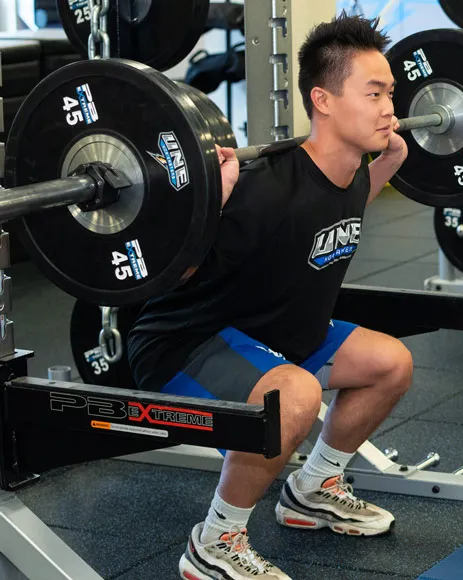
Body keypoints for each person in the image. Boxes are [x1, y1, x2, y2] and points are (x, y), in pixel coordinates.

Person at [127, 15, 413, 580]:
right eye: (374, 94)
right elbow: (171, 276)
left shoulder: (352, 169)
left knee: (390, 364)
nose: (389, 108)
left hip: (274, 335)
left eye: (391, 95)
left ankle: (313, 489)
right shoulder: (264, 192)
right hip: (186, 343)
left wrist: (392, 161)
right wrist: (215, 203)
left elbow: (345, 205)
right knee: (296, 396)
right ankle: (214, 543)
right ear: (322, 101)